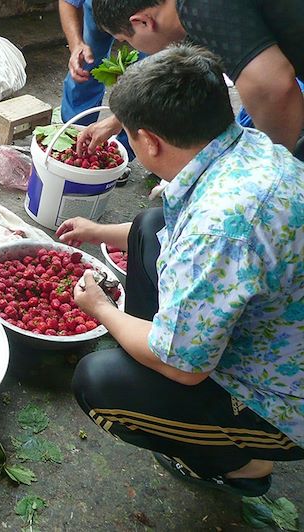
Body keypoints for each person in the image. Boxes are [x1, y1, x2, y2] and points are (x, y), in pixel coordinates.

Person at [58, 45, 304, 497]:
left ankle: (244, 465)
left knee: (100, 382)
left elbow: (185, 367)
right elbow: (179, 229)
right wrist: (97, 230)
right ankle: (160, 353)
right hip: (281, 337)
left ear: (149, 141)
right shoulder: (246, 148)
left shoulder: (222, 229)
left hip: (282, 404)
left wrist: (102, 309)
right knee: (149, 225)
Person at [83, 0, 304, 160]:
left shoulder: (198, 8)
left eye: (124, 40)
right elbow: (177, 69)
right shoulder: (189, 15)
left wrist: (268, 164)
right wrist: (119, 119)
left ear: (142, 22)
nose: (129, 46)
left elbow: (272, 88)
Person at [59, 0, 138, 181]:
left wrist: (118, 121)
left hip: (148, 16)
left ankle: (123, 148)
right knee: (85, 63)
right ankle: (74, 134)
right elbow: (68, 2)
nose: (120, 40)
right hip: (97, 9)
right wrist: (76, 44)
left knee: (144, 72)